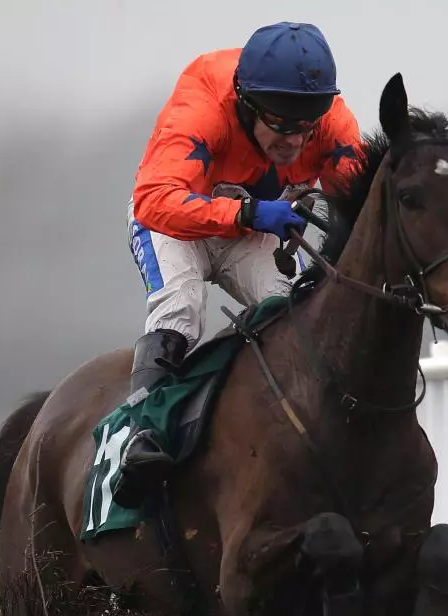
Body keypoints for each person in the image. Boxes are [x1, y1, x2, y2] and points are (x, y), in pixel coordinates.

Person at [113, 21, 364, 509]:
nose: (294, 141)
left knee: (288, 313)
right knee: (181, 312)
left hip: (245, 226)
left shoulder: (331, 121)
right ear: (246, 106)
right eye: (281, 125)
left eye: (305, 126)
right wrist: (250, 211)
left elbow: (359, 205)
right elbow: (154, 201)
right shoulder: (204, 102)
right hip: (173, 220)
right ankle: (143, 437)